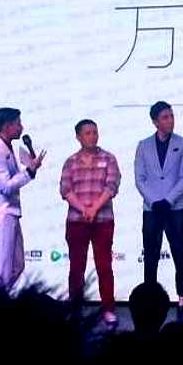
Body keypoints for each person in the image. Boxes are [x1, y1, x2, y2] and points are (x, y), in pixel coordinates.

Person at [59, 119, 121, 324]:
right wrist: (84, 209)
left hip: (103, 220)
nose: (93, 136)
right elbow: (65, 190)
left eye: (95, 132)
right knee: (77, 267)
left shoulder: (109, 158)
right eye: (88, 133)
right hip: (77, 220)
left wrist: (94, 208)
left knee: (104, 266)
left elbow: (112, 186)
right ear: (78, 137)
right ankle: (76, 309)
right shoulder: (71, 162)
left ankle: (108, 309)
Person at [135, 101, 183, 317]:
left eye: (172, 116)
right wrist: (154, 201)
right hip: (152, 209)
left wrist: (168, 200)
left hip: (175, 208)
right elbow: (140, 178)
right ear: (155, 122)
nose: (170, 120)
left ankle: (182, 299)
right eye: (165, 117)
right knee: (151, 255)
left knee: (180, 254)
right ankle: (149, 298)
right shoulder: (143, 145)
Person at [0, 107, 46, 291]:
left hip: (11, 212)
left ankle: (0, 299)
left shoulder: (8, 147)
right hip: (1, 214)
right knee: (2, 269)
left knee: (17, 265)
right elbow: (6, 187)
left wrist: (30, 168)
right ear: (7, 126)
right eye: (18, 124)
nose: (21, 127)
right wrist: (29, 171)